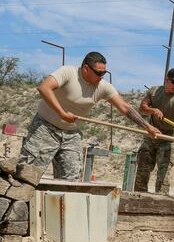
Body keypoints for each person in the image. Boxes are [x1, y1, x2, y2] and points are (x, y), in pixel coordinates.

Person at [17, 52, 160, 181]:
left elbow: (124, 107)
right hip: (45, 129)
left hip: (71, 135)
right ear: (86, 68)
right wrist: (61, 113)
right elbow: (44, 87)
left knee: (71, 179)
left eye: (104, 73)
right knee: (27, 175)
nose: (101, 77)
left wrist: (147, 126)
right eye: (98, 73)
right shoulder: (68, 72)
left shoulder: (103, 87)